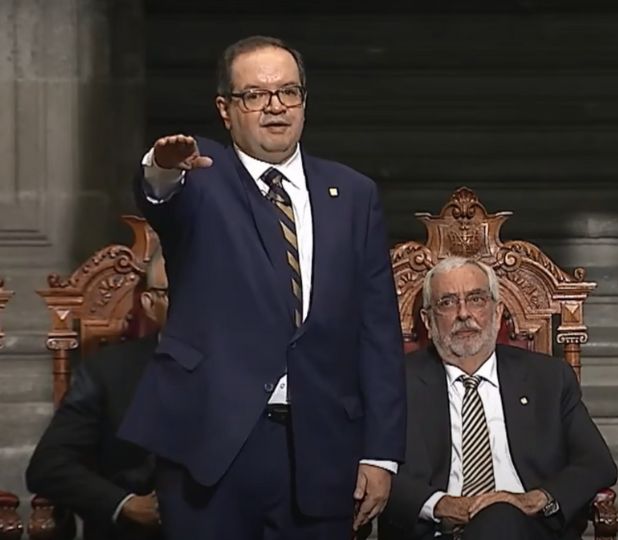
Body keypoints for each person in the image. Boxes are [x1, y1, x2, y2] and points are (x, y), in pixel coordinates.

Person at [117, 35, 406, 539]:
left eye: (288, 92)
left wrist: (381, 453)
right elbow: (158, 195)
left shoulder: (354, 193)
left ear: (304, 101)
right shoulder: (201, 177)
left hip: (322, 446)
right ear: (225, 110)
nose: (275, 106)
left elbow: (377, 330)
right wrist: (161, 167)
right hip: (212, 445)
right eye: (254, 95)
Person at [378, 257, 617, 540]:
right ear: (428, 321)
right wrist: (439, 505)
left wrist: (535, 499)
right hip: (436, 531)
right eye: (447, 302)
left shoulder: (549, 378)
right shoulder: (394, 383)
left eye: (476, 299)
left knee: (500, 517)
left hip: (528, 530)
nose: (464, 313)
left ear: (497, 311)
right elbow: (373, 471)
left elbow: (597, 463)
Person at [26, 248, 168, 540]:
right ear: (150, 303)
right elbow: (49, 465)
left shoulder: (242, 369)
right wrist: (125, 505)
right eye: (179, 291)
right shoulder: (108, 371)